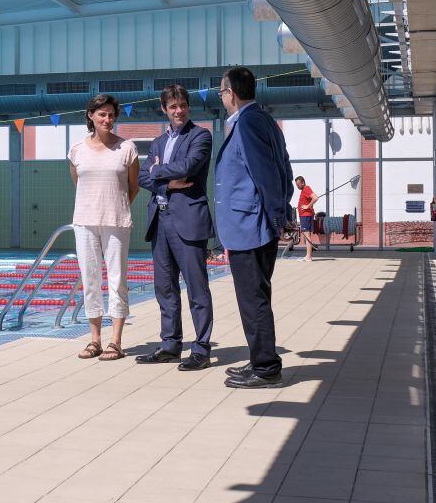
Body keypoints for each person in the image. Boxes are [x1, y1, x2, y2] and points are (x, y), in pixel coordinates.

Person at [214, 66, 293, 389]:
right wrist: (282, 210)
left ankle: (266, 367)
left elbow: (265, 174)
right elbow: (284, 168)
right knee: (256, 295)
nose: (221, 97)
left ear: (230, 92)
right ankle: (260, 357)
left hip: (251, 225)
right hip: (256, 223)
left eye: (221, 91)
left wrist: (276, 216)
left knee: (253, 298)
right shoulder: (263, 119)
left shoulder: (247, 123)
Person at [135, 84, 215, 371]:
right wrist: (165, 180)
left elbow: (189, 166)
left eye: (182, 105)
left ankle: (201, 348)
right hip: (160, 220)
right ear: (164, 109)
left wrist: (157, 171)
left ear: (188, 106)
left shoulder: (200, 136)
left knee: (197, 289)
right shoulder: (157, 143)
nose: (178, 111)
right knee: (164, 288)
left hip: (188, 220)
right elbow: (142, 178)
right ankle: (170, 345)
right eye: (173, 107)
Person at [68, 94, 140, 361]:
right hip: (85, 222)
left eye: (111, 115)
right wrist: (96, 206)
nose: (107, 119)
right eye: (102, 115)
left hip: (117, 221)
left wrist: (116, 205)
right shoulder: (77, 150)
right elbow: (79, 183)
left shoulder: (127, 149)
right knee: (90, 281)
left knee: (118, 280)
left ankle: (116, 341)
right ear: (91, 116)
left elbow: (133, 186)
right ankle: (95, 339)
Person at [294, 176, 319, 262]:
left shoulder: (306, 188)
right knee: (307, 235)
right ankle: (308, 255)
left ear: (303, 182)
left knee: (307, 236)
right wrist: (310, 206)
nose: (297, 186)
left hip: (306, 216)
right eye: (296, 185)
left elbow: (315, 197)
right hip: (305, 215)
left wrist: (307, 206)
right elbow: (310, 200)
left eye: (298, 184)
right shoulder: (304, 190)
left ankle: (309, 257)